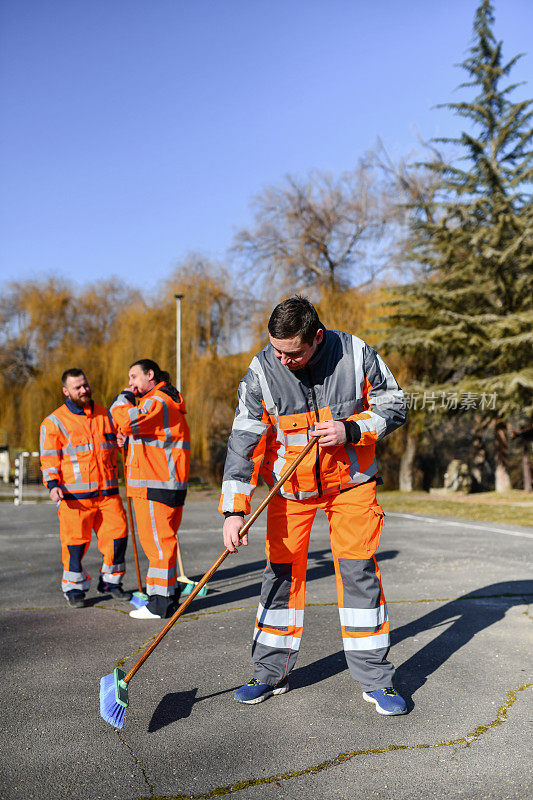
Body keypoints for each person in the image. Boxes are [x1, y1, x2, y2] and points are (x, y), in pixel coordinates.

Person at [220, 296, 408, 715]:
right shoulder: (261, 371)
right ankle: (270, 674)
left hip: (351, 486)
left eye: (293, 352)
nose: (283, 359)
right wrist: (235, 510)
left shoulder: (356, 353)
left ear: (316, 338)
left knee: (359, 571)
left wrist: (351, 429)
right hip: (290, 491)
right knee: (281, 577)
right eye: (276, 349)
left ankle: (377, 680)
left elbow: (394, 404)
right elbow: (244, 442)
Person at [39, 369, 131, 608]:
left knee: (117, 538)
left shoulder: (104, 415)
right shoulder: (54, 422)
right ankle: (74, 588)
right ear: (66, 391)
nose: (84, 390)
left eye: (85, 385)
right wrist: (52, 485)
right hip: (74, 498)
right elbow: (49, 458)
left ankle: (112, 582)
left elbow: (115, 441)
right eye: (77, 387)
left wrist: (121, 441)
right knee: (74, 545)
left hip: (108, 494)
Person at [110, 359, 190, 620]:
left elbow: (125, 419)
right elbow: (142, 434)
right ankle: (167, 595)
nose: (131, 383)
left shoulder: (157, 401)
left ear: (150, 375)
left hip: (155, 484)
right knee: (163, 543)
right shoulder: (163, 401)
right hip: (162, 482)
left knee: (158, 546)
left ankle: (160, 604)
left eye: (134, 377)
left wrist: (122, 398)